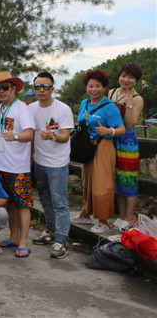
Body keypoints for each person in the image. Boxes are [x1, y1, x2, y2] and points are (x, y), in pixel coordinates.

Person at [0, 71, 34, 257]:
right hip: (0, 166)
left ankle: (23, 241)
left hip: (18, 167)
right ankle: (14, 237)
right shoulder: (0, 107)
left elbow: (29, 134)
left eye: (5, 87)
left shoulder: (22, 108)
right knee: (10, 205)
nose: (1, 91)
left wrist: (15, 136)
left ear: (14, 88)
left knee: (23, 205)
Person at [72, 70, 125, 234]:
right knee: (87, 181)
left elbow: (121, 129)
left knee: (102, 183)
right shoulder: (84, 103)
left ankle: (103, 220)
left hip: (103, 146)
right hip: (87, 147)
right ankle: (85, 214)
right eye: (91, 86)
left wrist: (109, 131)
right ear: (86, 87)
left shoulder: (110, 107)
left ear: (104, 87)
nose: (94, 89)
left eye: (98, 86)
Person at [29, 72, 73, 259]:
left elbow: (65, 136)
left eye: (45, 87)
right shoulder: (31, 108)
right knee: (45, 199)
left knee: (59, 202)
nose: (41, 90)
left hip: (57, 163)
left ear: (52, 89)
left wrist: (52, 136)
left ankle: (62, 240)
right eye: (37, 86)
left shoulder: (63, 109)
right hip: (39, 161)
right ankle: (51, 231)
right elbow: (29, 135)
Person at [108, 62, 144, 230]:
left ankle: (129, 216)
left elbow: (129, 124)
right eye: (123, 76)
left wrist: (129, 105)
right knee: (117, 179)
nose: (126, 80)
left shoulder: (137, 99)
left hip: (127, 142)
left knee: (128, 179)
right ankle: (121, 215)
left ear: (136, 80)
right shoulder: (111, 92)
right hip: (112, 139)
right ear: (119, 76)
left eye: (131, 77)